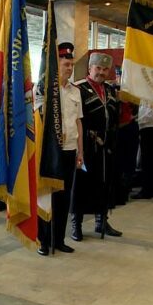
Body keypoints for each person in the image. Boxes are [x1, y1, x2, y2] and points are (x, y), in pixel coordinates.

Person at [37, 42, 83, 256]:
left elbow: (78, 122)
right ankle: (43, 240)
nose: (70, 68)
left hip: (69, 149)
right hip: (50, 151)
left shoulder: (75, 91)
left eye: (72, 65)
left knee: (64, 197)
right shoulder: (45, 89)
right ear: (57, 64)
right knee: (47, 196)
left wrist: (81, 152)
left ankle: (59, 239)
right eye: (66, 64)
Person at [71, 52, 121, 240]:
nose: (101, 72)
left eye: (105, 69)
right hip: (85, 145)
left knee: (104, 183)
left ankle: (102, 222)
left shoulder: (110, 90)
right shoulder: (78, 89)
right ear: (90, 68)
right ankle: (76, 224)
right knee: (81, 185)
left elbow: (114, 118)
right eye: (98, 68)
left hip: (105, 147)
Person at [131, 99, 153, 199]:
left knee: (147, 160)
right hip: (151, 126)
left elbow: (150, 114)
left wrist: (137, 119)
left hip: (150, 127)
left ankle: (147, 191)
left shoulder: (152, 95)